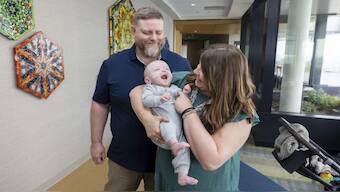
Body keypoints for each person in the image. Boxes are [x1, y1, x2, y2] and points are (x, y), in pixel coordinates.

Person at [130, 44, 260, 191]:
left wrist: (188, 111)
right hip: (169, 177)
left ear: (221, 78)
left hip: (207, 185)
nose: (196, 70)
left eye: (204, 70)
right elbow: (137, 91)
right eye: (199, 64)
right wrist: (148, 120)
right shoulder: (187, 80)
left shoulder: (240, 112)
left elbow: (211, 161)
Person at [90, 7, 191, 191]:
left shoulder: (180, 64)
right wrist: (96, 141)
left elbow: (190, 104)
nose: (154, 37)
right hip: (124, 157)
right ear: (133, 31)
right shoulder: (113, 65)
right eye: (147, 32)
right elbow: (100, 104)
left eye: (159, 32)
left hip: (166, 158)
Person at [142, 60, 198, 186]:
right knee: (167, 124)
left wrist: (185, 92)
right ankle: (173, 144)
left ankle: (182, 175)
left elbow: (183, 98)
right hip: (163, 128)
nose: (164, 70)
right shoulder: (151, 88)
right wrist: (159, 99)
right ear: (148, 80)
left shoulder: (174, 88)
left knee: (184, 149)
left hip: (179, 132)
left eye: (166, 68)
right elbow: (145, 100)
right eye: (157, 70)